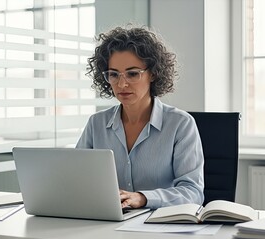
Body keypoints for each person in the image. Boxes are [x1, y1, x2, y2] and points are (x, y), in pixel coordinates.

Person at [76, 26, 204, 209]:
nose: (121, 84)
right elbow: (75, 180)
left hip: (161, 228)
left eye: (133, 73)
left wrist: (143, 198)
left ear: (153, 73)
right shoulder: (96, 124)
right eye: (113, 74)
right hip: (108, 224)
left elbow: (193, 192)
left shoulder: (180, 124)